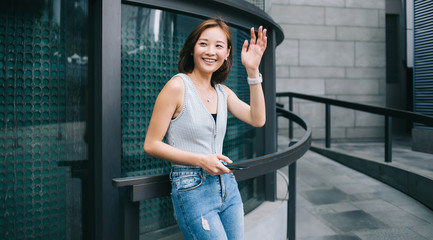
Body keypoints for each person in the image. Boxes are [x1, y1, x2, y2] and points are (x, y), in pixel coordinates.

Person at [143, 18, 267, 240]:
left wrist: (253, 70)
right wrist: (201, 160)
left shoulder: (222, 92)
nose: (211, 51)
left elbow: (257, 119)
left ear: (227, 53)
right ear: (192, 48)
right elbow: (151, 144)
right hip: (192, 188)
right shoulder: (177, 87)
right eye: (203, 44)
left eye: (219, 46)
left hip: (227, 186)